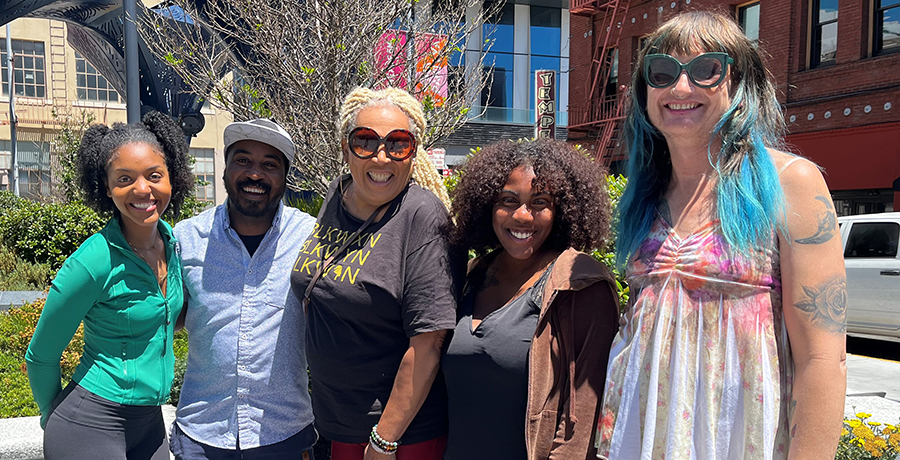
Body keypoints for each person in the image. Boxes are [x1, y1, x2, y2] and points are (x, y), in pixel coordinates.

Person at [596, 11, 847, 460]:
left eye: (706, 69)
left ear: (740, 84)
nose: (680, 88)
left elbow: (822, 360)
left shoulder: (791, 182)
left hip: (737, 439)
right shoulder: (645, 194)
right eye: (662, 72)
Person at [290, 87, 457, 460]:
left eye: (398, 144)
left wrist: (384, 441)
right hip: (333, 422)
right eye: (365, 141)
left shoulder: (421, 216)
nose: (381, 157)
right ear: (346, 149)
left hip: (396, 435)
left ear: (413, 153)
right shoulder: (338, 192)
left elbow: (428, 344)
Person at [25, 111, 194, 460]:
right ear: (106, 187)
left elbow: (167, 318)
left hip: (150, 423)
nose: (142, 189)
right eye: (125, 178)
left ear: (171, 179)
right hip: (89, 423)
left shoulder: (172, 244)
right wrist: (50, 416)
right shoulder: (93, 261)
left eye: (154, 176)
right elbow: (40, 356)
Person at [443, 139, 620, 460]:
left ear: (563, 210)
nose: (522, 216)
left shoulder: (581, 286)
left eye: (540, 202)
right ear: (486, 206)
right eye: (508, 200)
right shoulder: (472, 275)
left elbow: (582, 424)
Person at [169, 118, 317, 459]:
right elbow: (164, 316)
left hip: (283, 434)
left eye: (269, 165)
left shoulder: (310, 238)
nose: (255, 174)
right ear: (225, 169)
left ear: (284, 178)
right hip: (201, 434)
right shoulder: (186, 239)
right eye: (243, 160)